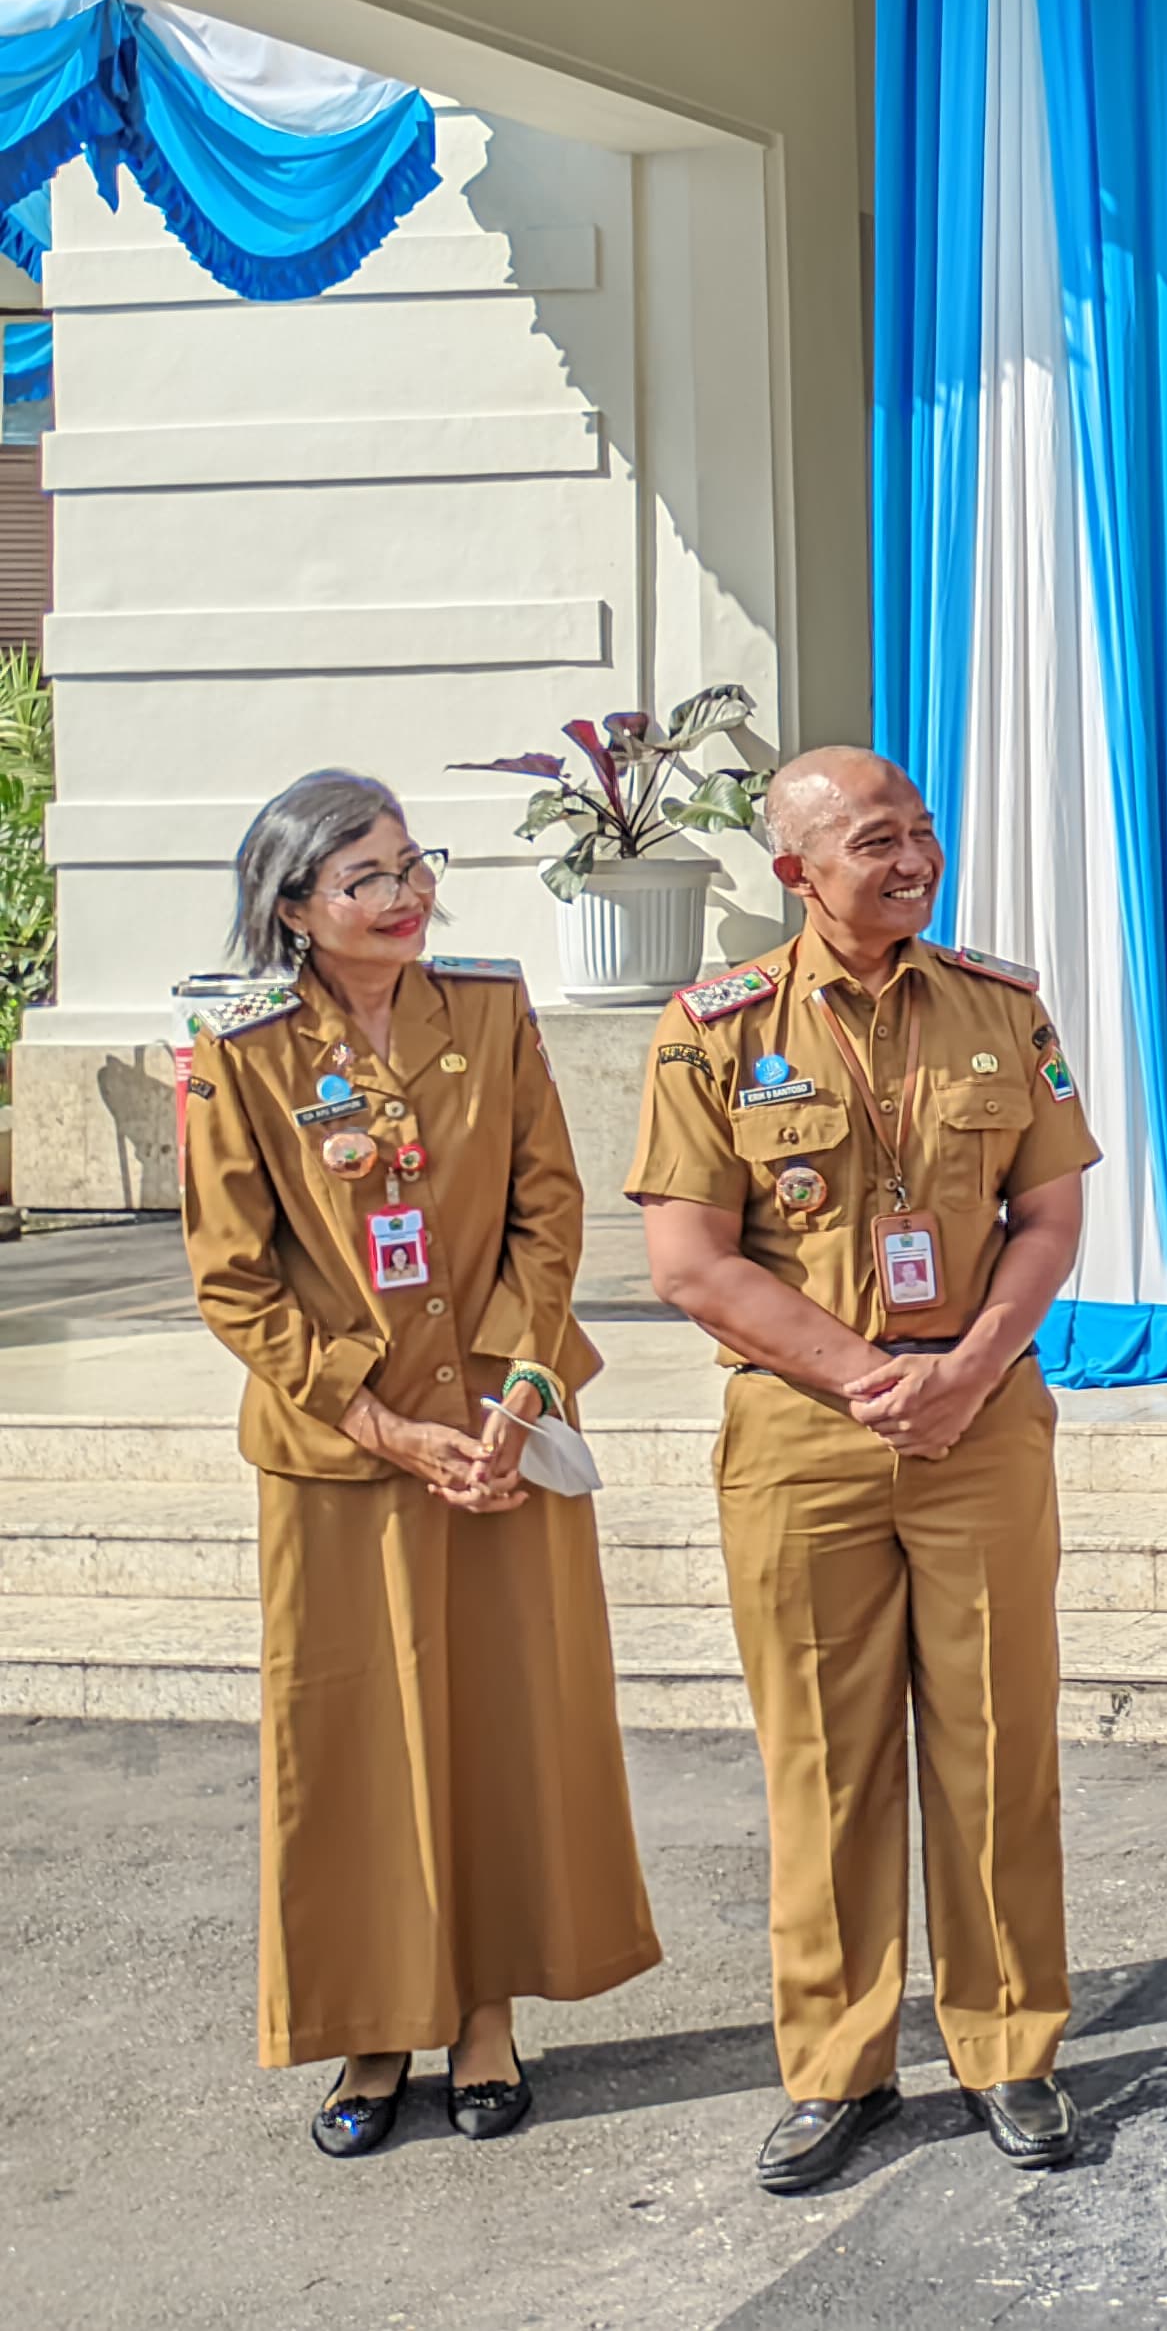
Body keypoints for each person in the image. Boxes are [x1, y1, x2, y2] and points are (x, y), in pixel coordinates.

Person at [631, 747, 1098, 2192]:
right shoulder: (713, 1029)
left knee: (998, 1740)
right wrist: (868, 1379)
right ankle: (838, 2066)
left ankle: (1008, 2047)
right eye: (876, 842)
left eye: (923, 833)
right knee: (824, 1760)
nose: (914, 862)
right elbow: (691, 1262)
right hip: (804, 1434)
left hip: (981, 1416)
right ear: (796, 872)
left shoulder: (999, 1006)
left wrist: (968, 1368)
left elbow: (1049, 1213)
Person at [182, 770, 657, 2156]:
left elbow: (550, 1213)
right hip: (344, 1456)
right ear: (294, 907)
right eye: (368, 878)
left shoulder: (490, 1013)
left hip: (501, 1435)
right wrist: (382, 1422)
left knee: (505, 1727)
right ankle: (372, 2029)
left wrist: (518, 1393)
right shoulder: (244, 1051)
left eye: (412, 864)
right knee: (355, 1747)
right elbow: (233, 1279)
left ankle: (488, 2017)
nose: (406, 896)